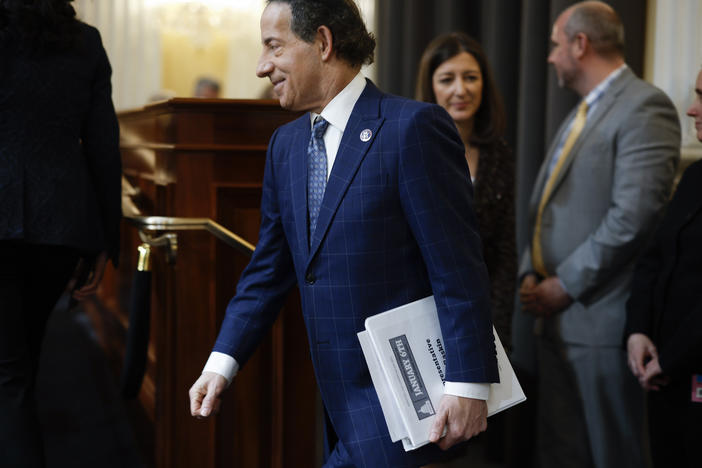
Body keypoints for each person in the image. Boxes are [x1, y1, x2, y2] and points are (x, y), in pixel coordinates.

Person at [188, 0, 498, 466]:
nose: (261, 66)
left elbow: (457, 269)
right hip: (335, 410)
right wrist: (221, 362)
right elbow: (268, 272)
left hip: (409, 409)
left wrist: (469, 385)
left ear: (324, 43)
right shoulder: (285, 146)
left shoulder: (411, 129)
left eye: (273, 46)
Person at [517, 2, 680, 467]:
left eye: (554, 44)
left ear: (580, 44)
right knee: (562, 454)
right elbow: (547, 205)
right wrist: (534, 271)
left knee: (614, 455)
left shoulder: (645, 106)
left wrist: (564, 284)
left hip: (601, 324)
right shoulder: (583, 111)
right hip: (557, 321)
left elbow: (634, 217)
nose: (550, 56)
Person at [0, 1, 122, 467]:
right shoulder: (84, 42)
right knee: (19, 365)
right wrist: (103, 241)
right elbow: (104, 147)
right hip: (61, 226)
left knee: (9, 374)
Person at [416, 32, 515, 351]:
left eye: (471, 77)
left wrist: (496, 329)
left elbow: (504, 250)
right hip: (423, 318)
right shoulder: (413, 149)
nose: (461, 89)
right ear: (431, 86)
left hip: (485, 315)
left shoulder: (498, 153)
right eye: (447, 79)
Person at [624, 69, 702, 468]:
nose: (692, 110)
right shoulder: (693, 177)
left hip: (685, 373)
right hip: (663, 377)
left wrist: (669, 360)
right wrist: (638, 331)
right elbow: (653, 258)